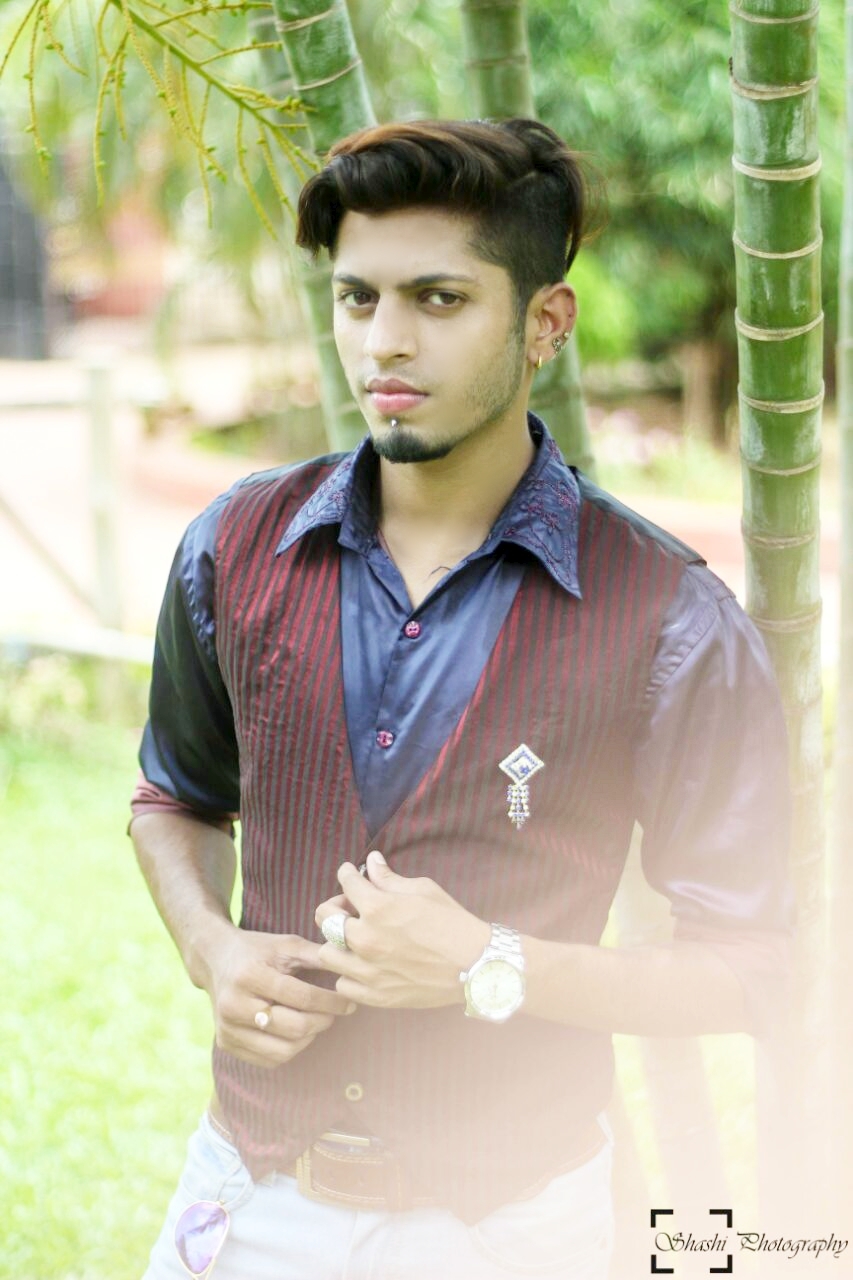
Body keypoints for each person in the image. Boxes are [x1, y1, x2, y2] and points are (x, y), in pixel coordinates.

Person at [130, 118, 792, 1280]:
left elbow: (752, 966)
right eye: (357, 297)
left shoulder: (668, 614)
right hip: (246, 1194)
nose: (383, 339)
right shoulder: (231, 547)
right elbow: (173, 797)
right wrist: (210, 946)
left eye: (438, 299)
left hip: (517, 1227)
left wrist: (492, 962)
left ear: (545, 322)